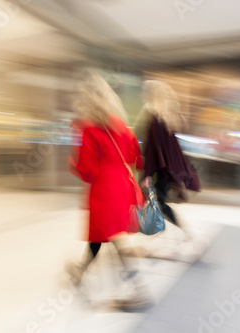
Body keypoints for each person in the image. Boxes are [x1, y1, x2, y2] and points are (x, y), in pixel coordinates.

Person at [66, 73, 148, 304]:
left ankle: (139, 290)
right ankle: (80, 270)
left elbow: (87, 171)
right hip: (122, 187)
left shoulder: (88, 128)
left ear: (86, 99)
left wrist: (73, 163)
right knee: (100, 236)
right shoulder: (121, 125)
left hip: (104, 191)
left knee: (115, 238)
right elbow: (135, 158)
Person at [136, 80, 201, 244]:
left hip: (159, 170)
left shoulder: (155, 119)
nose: (143, 95)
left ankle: (186, 233)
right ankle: (178, 233)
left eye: (145, 92)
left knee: (159, 203)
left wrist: (148, 174)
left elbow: (153, 150)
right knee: (159, 202)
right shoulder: (167, 119)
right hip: (166, 170)